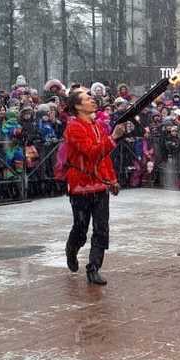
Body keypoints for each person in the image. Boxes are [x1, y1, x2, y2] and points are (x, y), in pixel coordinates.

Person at [63, 86, 129, 286]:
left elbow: (103, 158)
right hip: (80, 185)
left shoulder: (98, 125)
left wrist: (112, 179)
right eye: (87, 98)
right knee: (81, 228)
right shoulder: (73, 127)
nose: (92, 100)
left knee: (102, 228)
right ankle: (72, 248)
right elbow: (91, 153)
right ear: (77, 106)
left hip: (100, 185)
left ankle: (93, 268)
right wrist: (114, 137)